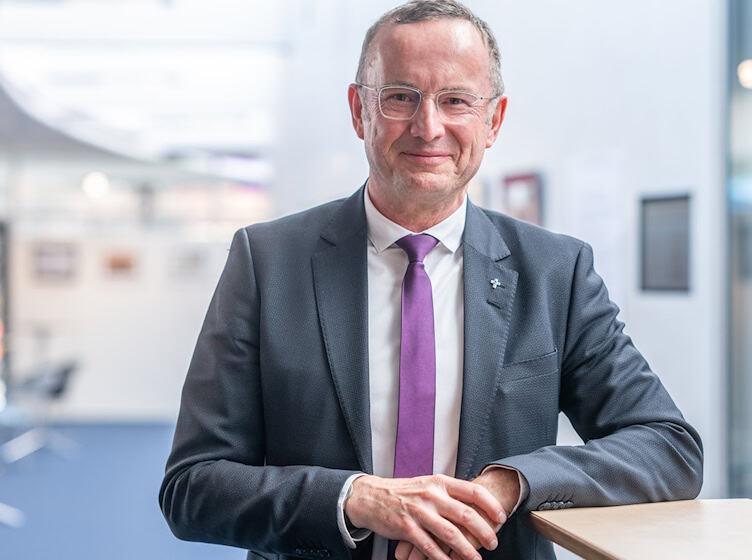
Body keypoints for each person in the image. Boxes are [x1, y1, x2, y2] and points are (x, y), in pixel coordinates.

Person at [159, 2, 703, 559]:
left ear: (493, 120)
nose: (428, 126)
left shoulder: (554, 273)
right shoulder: (268, 262)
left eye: (456, 100)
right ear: (358, 110)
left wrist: (509, 486)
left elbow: (668, 448)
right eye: (400, 97)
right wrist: (354, 498)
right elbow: (192, 487)